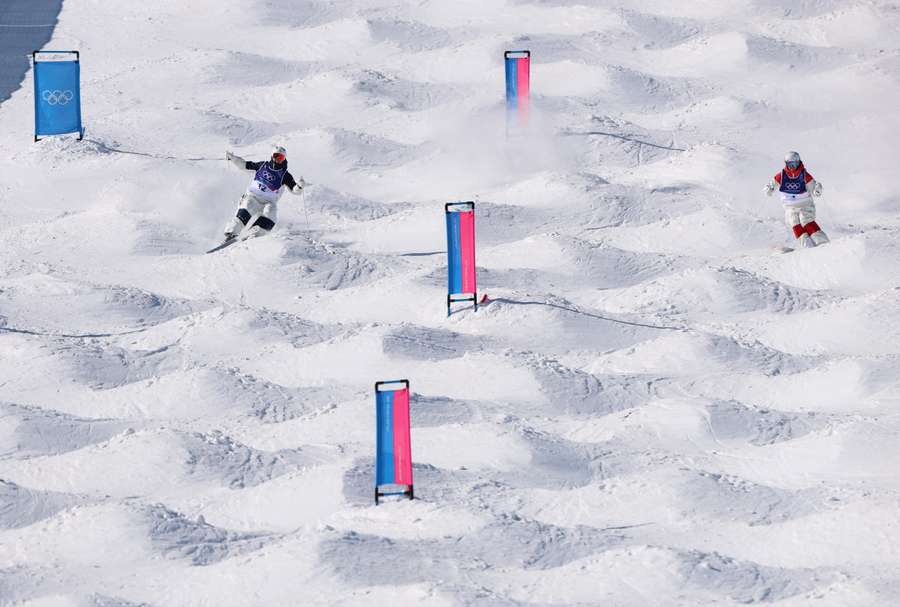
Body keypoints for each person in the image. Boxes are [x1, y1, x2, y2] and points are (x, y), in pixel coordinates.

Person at [221, 144, 304, 242]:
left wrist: (299, 187)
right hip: (253, 197)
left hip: (269, 202)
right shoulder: (263, 165)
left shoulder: (285, 175)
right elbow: (244, 165)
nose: (278, 159)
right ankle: (232, 232)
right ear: (272, 156)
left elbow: (294, 188)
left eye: (281, 157)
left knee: (271, 211)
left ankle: (256, 232)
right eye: (276, 156)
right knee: (247, 205)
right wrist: (233, 158)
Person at [764, 151, 829, 248]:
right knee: (793, 222)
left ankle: (822, 241)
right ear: (786, 164)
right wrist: (769, 189)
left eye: (795, 164)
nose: (792, 167)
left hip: (805, 204)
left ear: (799, 162)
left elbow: (813, 187)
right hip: (789, 205)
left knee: (805, 220)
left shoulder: (804, 175)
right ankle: (806, 244)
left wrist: (817, 189)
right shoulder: (782, 175)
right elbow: (772, 184)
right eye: (790, 164)